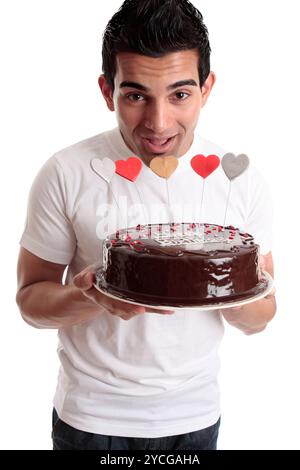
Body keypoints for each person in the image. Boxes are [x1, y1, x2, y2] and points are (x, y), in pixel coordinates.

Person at [16, 0, 276, 451]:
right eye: (136, 95)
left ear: (206, 88)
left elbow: (263, 314)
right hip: (90, 419)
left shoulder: (239, 180)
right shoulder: (66, 171)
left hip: (196, 418)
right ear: (106, 90)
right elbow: (30, 302)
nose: (158, 123)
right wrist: (91, 295)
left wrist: (219, 290)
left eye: (180, 94)